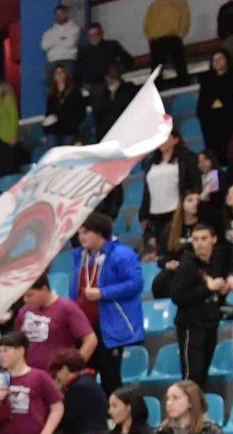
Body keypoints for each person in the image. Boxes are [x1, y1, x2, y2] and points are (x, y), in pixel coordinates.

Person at [75, 214, 144, 393]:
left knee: (110, 380)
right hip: (85, 327)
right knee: (83, 380)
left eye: (86, 232)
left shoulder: (122, 254)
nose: (81, 236)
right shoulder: (80, 256)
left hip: (110, 326)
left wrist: (103, 293)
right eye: (79, 232)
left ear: (100, 233)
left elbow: (135, 284)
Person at [166, 220, 228, 384]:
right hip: (191, 327)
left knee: (203, 376)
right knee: (191, 378)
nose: (199, 243)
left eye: (204, 238)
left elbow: (214, 292)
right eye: (196, 239)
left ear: (213, 239)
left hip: (210, 323)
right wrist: (208, 289)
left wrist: (221, 291)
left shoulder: (215, 262)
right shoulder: (187, 265)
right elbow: (177, 296)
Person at [15, 275, 97, 375]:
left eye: (29, 295)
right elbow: (16, 341)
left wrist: (71, 370)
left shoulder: (67, 308)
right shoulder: (25, 310)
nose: (25, 300)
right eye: (23, 296)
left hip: (55, 375)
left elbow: (91, 340)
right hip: (29, 373)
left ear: (44, 290)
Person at [141, 132, 201, 239]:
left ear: (176, 140)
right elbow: (147, 190)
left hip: (177, 210)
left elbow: (194, 183)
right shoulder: (151, 162)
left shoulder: (186, 158)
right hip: (156, 213)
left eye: (165, 137)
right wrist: (143, 213)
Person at [144, 0, 193, 86]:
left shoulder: (179, 1)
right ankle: (157, 89)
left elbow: (185, 18)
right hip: (157, 39)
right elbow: (147, 23)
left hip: (172, 37)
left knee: (179, 64)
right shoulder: (154, 5)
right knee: (156, 69)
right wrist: (151, 37)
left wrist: (179, 35)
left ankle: (184, 85)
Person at [45, 64, 93, 146]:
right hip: (55, 130)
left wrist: (58, 118)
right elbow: (49, 114)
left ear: (66, 74)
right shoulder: (52, 96)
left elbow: (77, 111)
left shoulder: (74, 92)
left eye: (62, 72)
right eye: (57, 73)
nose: (59, 75)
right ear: (54, 77)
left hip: (69, 129)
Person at [200, 49, 233, 162]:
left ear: (227, 60)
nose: (217, 62)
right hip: (212, 125)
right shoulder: (207, 81)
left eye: (220, 58)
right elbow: (202, 105)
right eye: (214, 60)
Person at [42, 3, 81, 77]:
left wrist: (53, 41)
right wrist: (61, 39)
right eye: (57, 14)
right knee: (49, 81)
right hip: (52, 61)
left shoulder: (74, 28)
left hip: (68, 60)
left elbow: (70, 43)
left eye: (61, 13)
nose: (59, 16)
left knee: (68, 82)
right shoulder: (49, 31)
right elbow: (44, 46)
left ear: (66, 13)